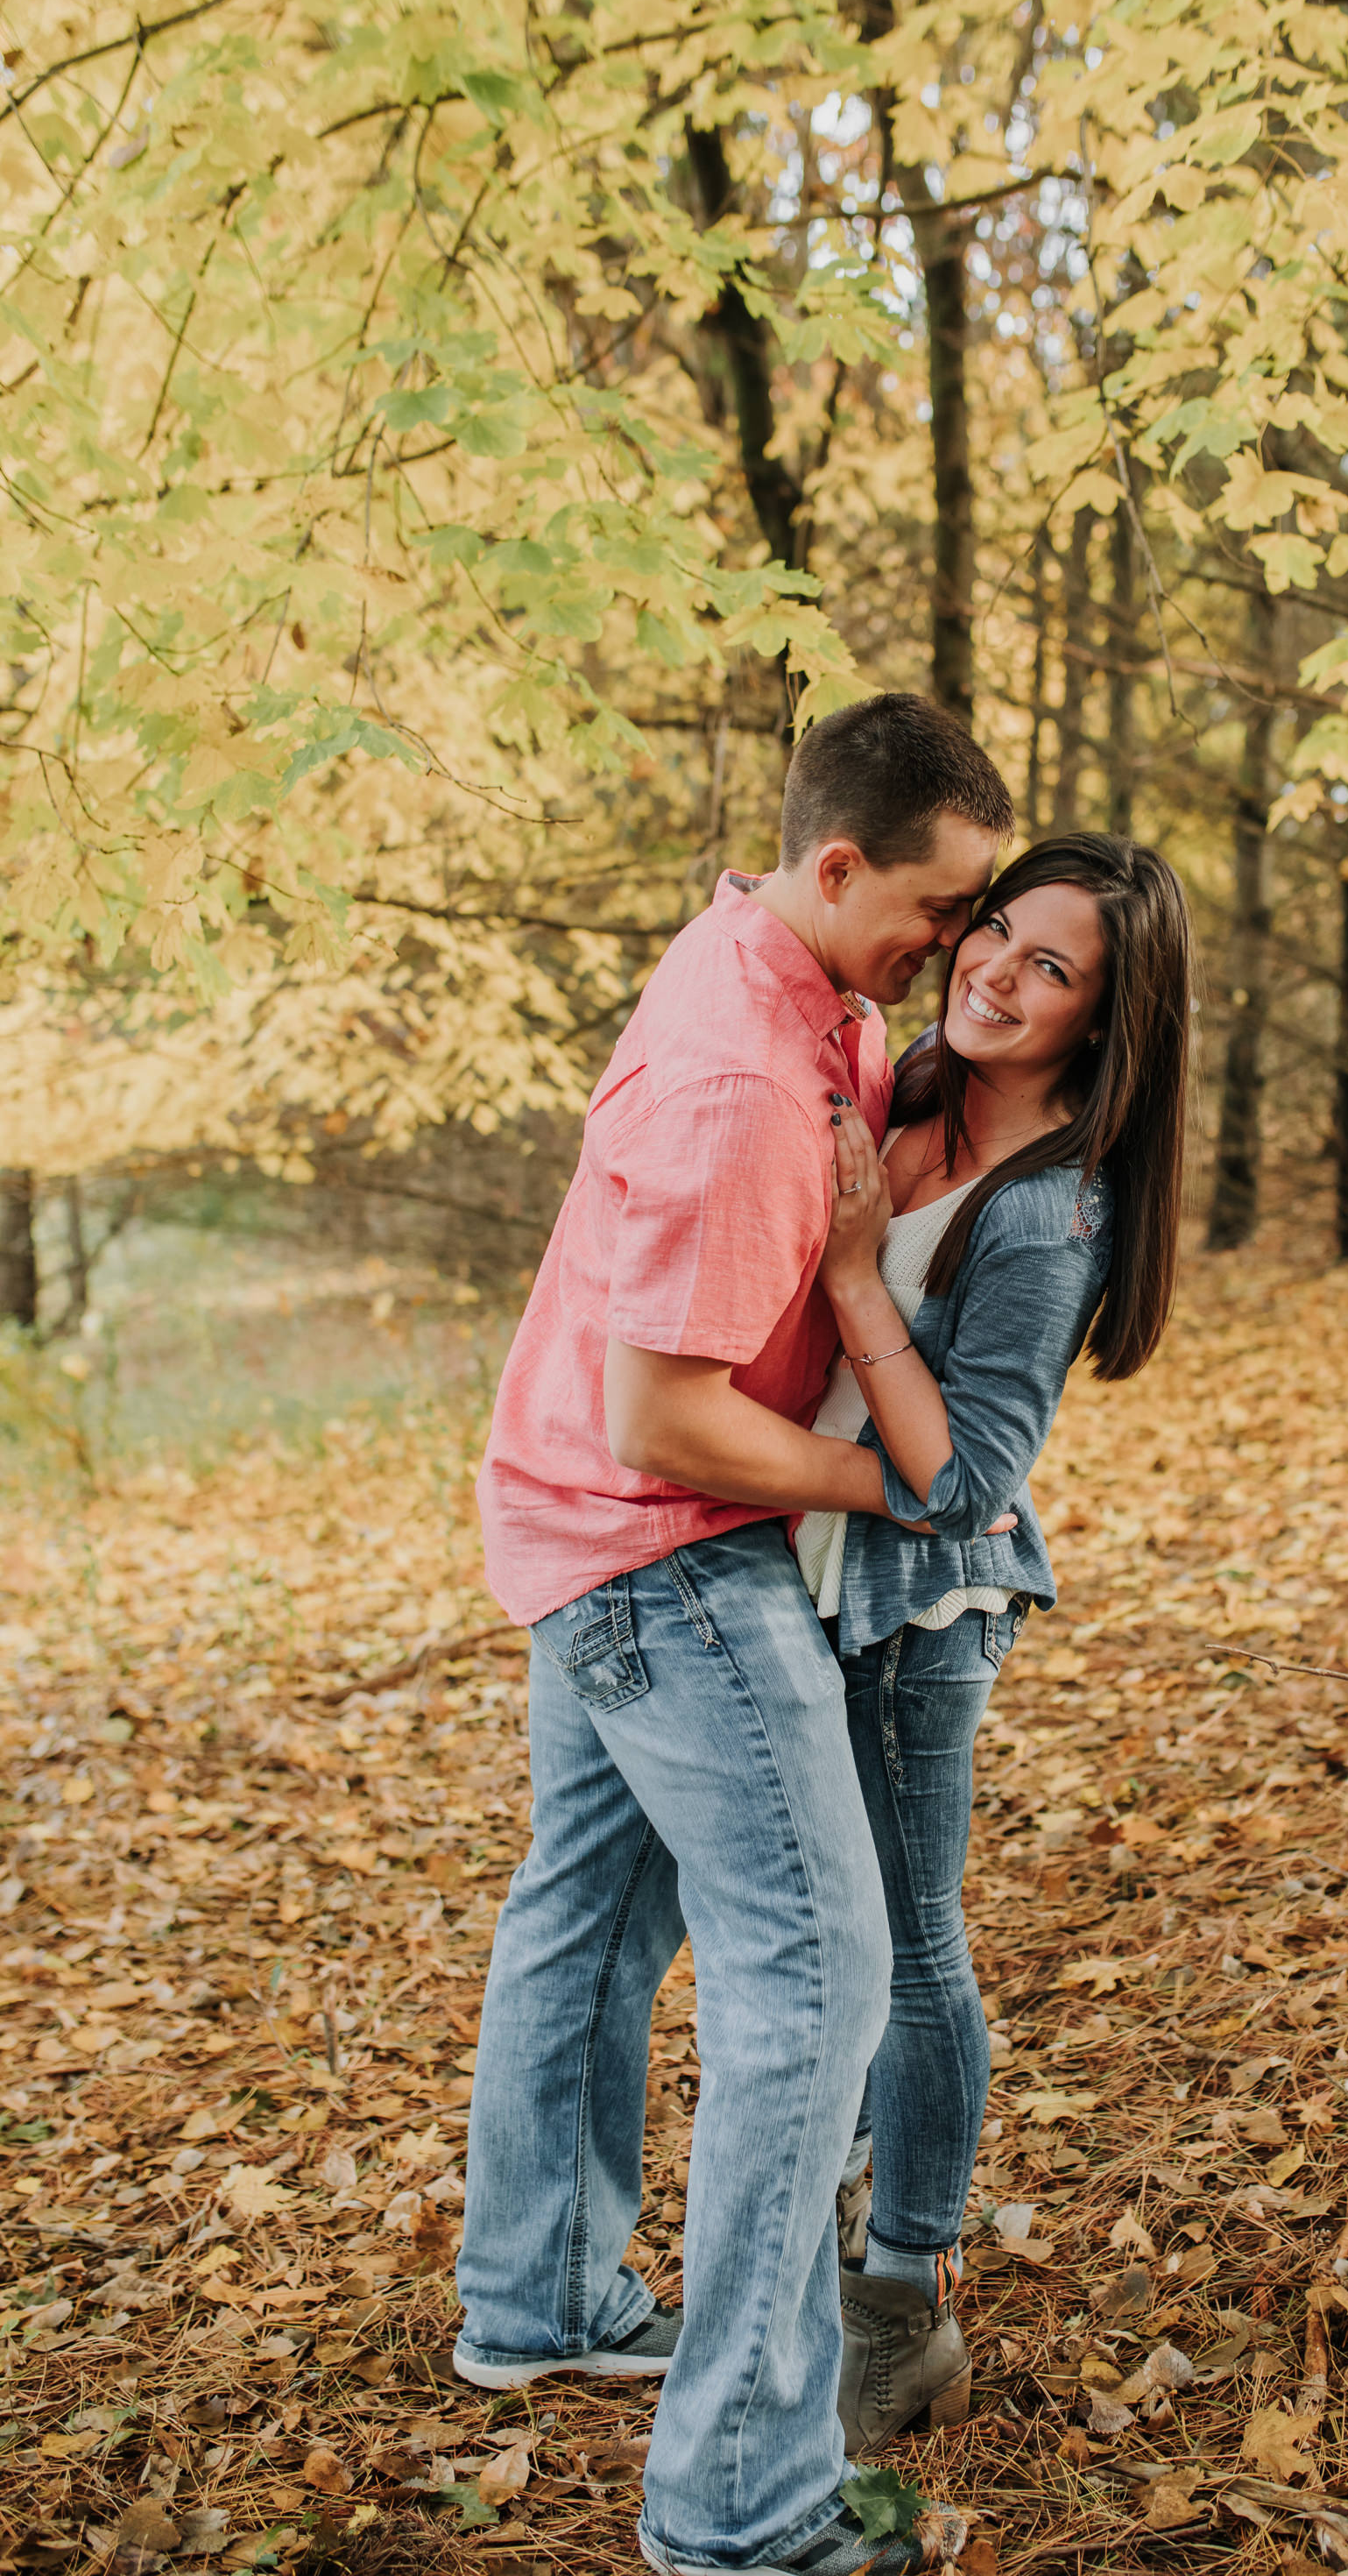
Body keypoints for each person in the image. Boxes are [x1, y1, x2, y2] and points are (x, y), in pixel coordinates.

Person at [461, 693, 1013, 2576]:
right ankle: (743, 2507)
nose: (948, 951)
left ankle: (533, 2302)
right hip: (658, 1544)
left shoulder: (795, 990)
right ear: (838, 864)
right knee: (818, 1983)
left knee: (592, 1908)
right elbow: (667, 1417)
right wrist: (901, 1495)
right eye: (936, 911)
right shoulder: (740, 1078)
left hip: (569, 1520)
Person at [792, 834, 1195, 2458]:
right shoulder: (902, 1093)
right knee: (818, 1946)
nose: (997, 975)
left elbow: (967, 1479)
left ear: (1105, 1020)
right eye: (995, 936)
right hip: (801, 1564)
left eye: (1051, 970)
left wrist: (847, 1270)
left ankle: (906, 2299)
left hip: (916, 1612)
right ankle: (802, 2259)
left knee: (908, 1948)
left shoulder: (1050, 1218)